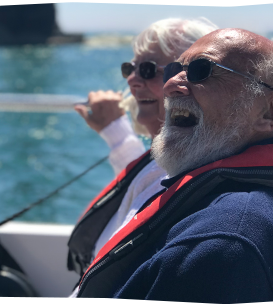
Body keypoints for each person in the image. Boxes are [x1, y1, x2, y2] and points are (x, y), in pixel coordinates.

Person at [72, 28, 273, 304]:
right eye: (173, 69)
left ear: (271, 111)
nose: (170, 85)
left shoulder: (221, 243)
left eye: (202, 70)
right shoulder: (247, 209)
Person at [64, 18, 218, 304]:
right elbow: (146, 179)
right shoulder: (168, 164)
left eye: (148, 70)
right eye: (129, 69)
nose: (132, 79)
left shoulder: (188, 179)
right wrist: (114, 130)